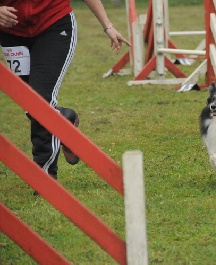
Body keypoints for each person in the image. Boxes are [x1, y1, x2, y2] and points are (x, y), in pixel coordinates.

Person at [0, 0, 131, 194]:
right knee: (29, 104)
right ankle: (64, 119)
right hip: (12, 34)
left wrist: (108, 27)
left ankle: (44, 178)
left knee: (40, 103)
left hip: (53, 26)